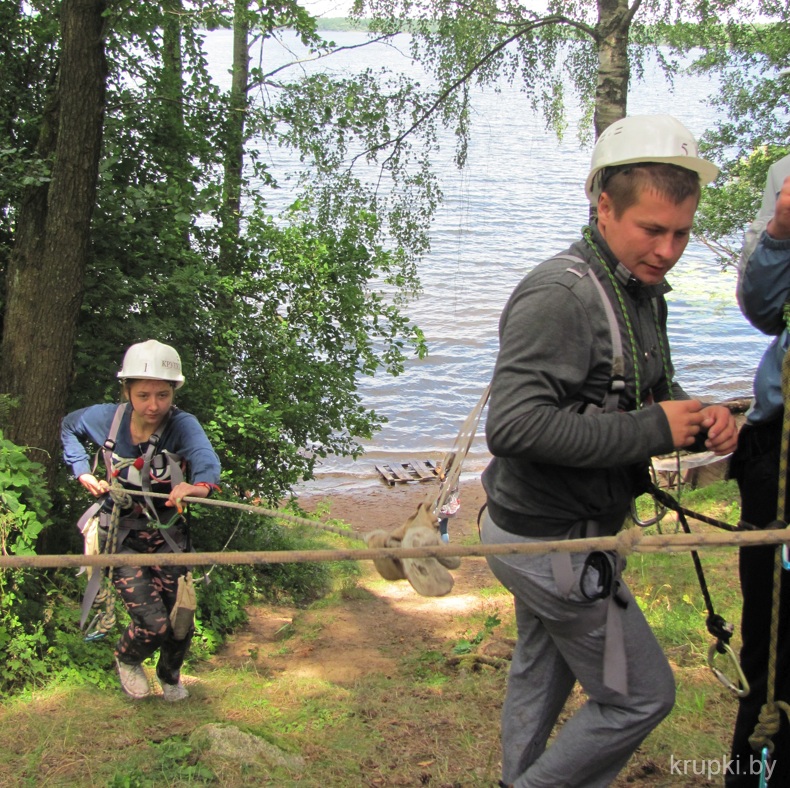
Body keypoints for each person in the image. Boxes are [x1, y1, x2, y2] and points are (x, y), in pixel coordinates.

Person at [479, 114, 738, 788]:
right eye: (652, 229)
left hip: (547, 533)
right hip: (550, 543)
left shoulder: (638, 288)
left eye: (681, 233)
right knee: (641, 695)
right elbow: (513, 428)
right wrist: (657, 429)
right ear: (602, 206)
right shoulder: (560, 296)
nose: (668, 250)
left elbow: (644, 385)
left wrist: (699, 414)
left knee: (541, 674)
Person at [61, 340, 221, 702]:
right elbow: (69, 427)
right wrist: (81, 471)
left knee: (181, 621)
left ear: (173, 392)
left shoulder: (182, 425)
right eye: (144, 395)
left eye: (163, 395)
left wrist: (197, 487)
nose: (154, 406)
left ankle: (169, 676)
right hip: (122, 537)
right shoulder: (106, 419)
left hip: (169, 536)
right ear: (127, 391)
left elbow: (204, 457)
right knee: (153, 623)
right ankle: (128, 658)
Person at [728, 164, 790, 786]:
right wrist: (780, 231)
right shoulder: (787, 176)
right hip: (779, 455)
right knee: (771, 643)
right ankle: (757, 774)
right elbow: (765, 310)